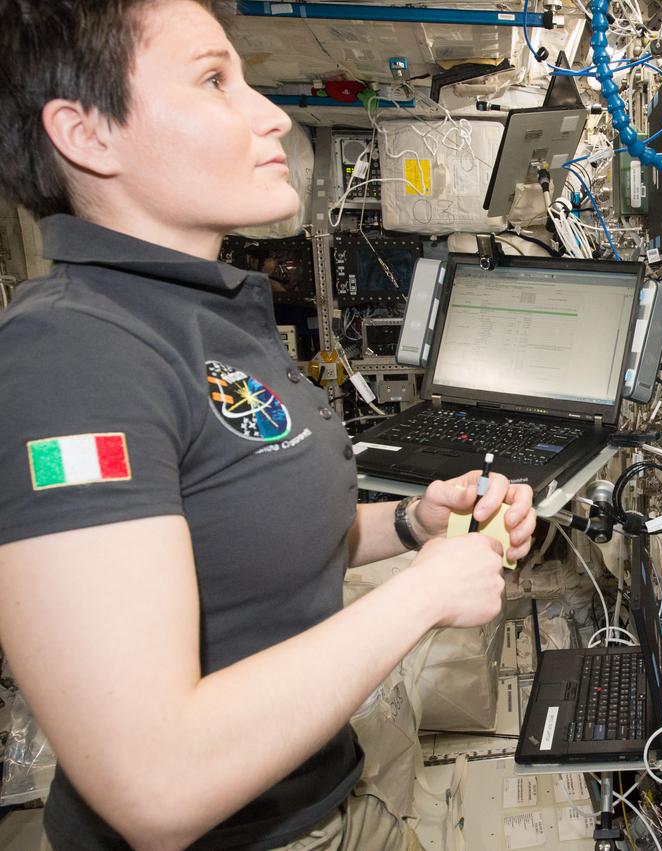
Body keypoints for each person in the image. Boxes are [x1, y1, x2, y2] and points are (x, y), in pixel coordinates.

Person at [0, 1, 538, 848]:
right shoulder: (70, 353)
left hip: (325, 787)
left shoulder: (203, 315)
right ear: (86, 134)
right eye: (214, 79)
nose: (271, 113)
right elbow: (155, 782)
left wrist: (410, 522)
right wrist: (426, 592)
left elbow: (247, 540)